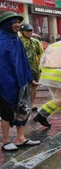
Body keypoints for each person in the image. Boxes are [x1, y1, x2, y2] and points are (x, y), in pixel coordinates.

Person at [0, 11, 41, 151]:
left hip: (22, 81)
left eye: (18, 22)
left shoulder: (16, 40)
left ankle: (20, 138)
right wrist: (8, 83)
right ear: (6, 24)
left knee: (23, 109)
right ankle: (5, 141)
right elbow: (3, 66)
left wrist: (30, 78)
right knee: (6, 112)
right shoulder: (1, 41)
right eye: (14, 22)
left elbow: (24, 62)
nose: (18, 25)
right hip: (6, 83)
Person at [19, 23, 44, 112]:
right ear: (22, 31)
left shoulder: (36, 42)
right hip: (21, 68)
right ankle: (22, 104)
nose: (29, 32)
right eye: (27, 31)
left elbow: (40, 54)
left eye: (31, 31)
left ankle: (32, 104)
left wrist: (41, 66)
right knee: (23, 87)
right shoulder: (18, 41)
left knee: (33, 87)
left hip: (34, 68)